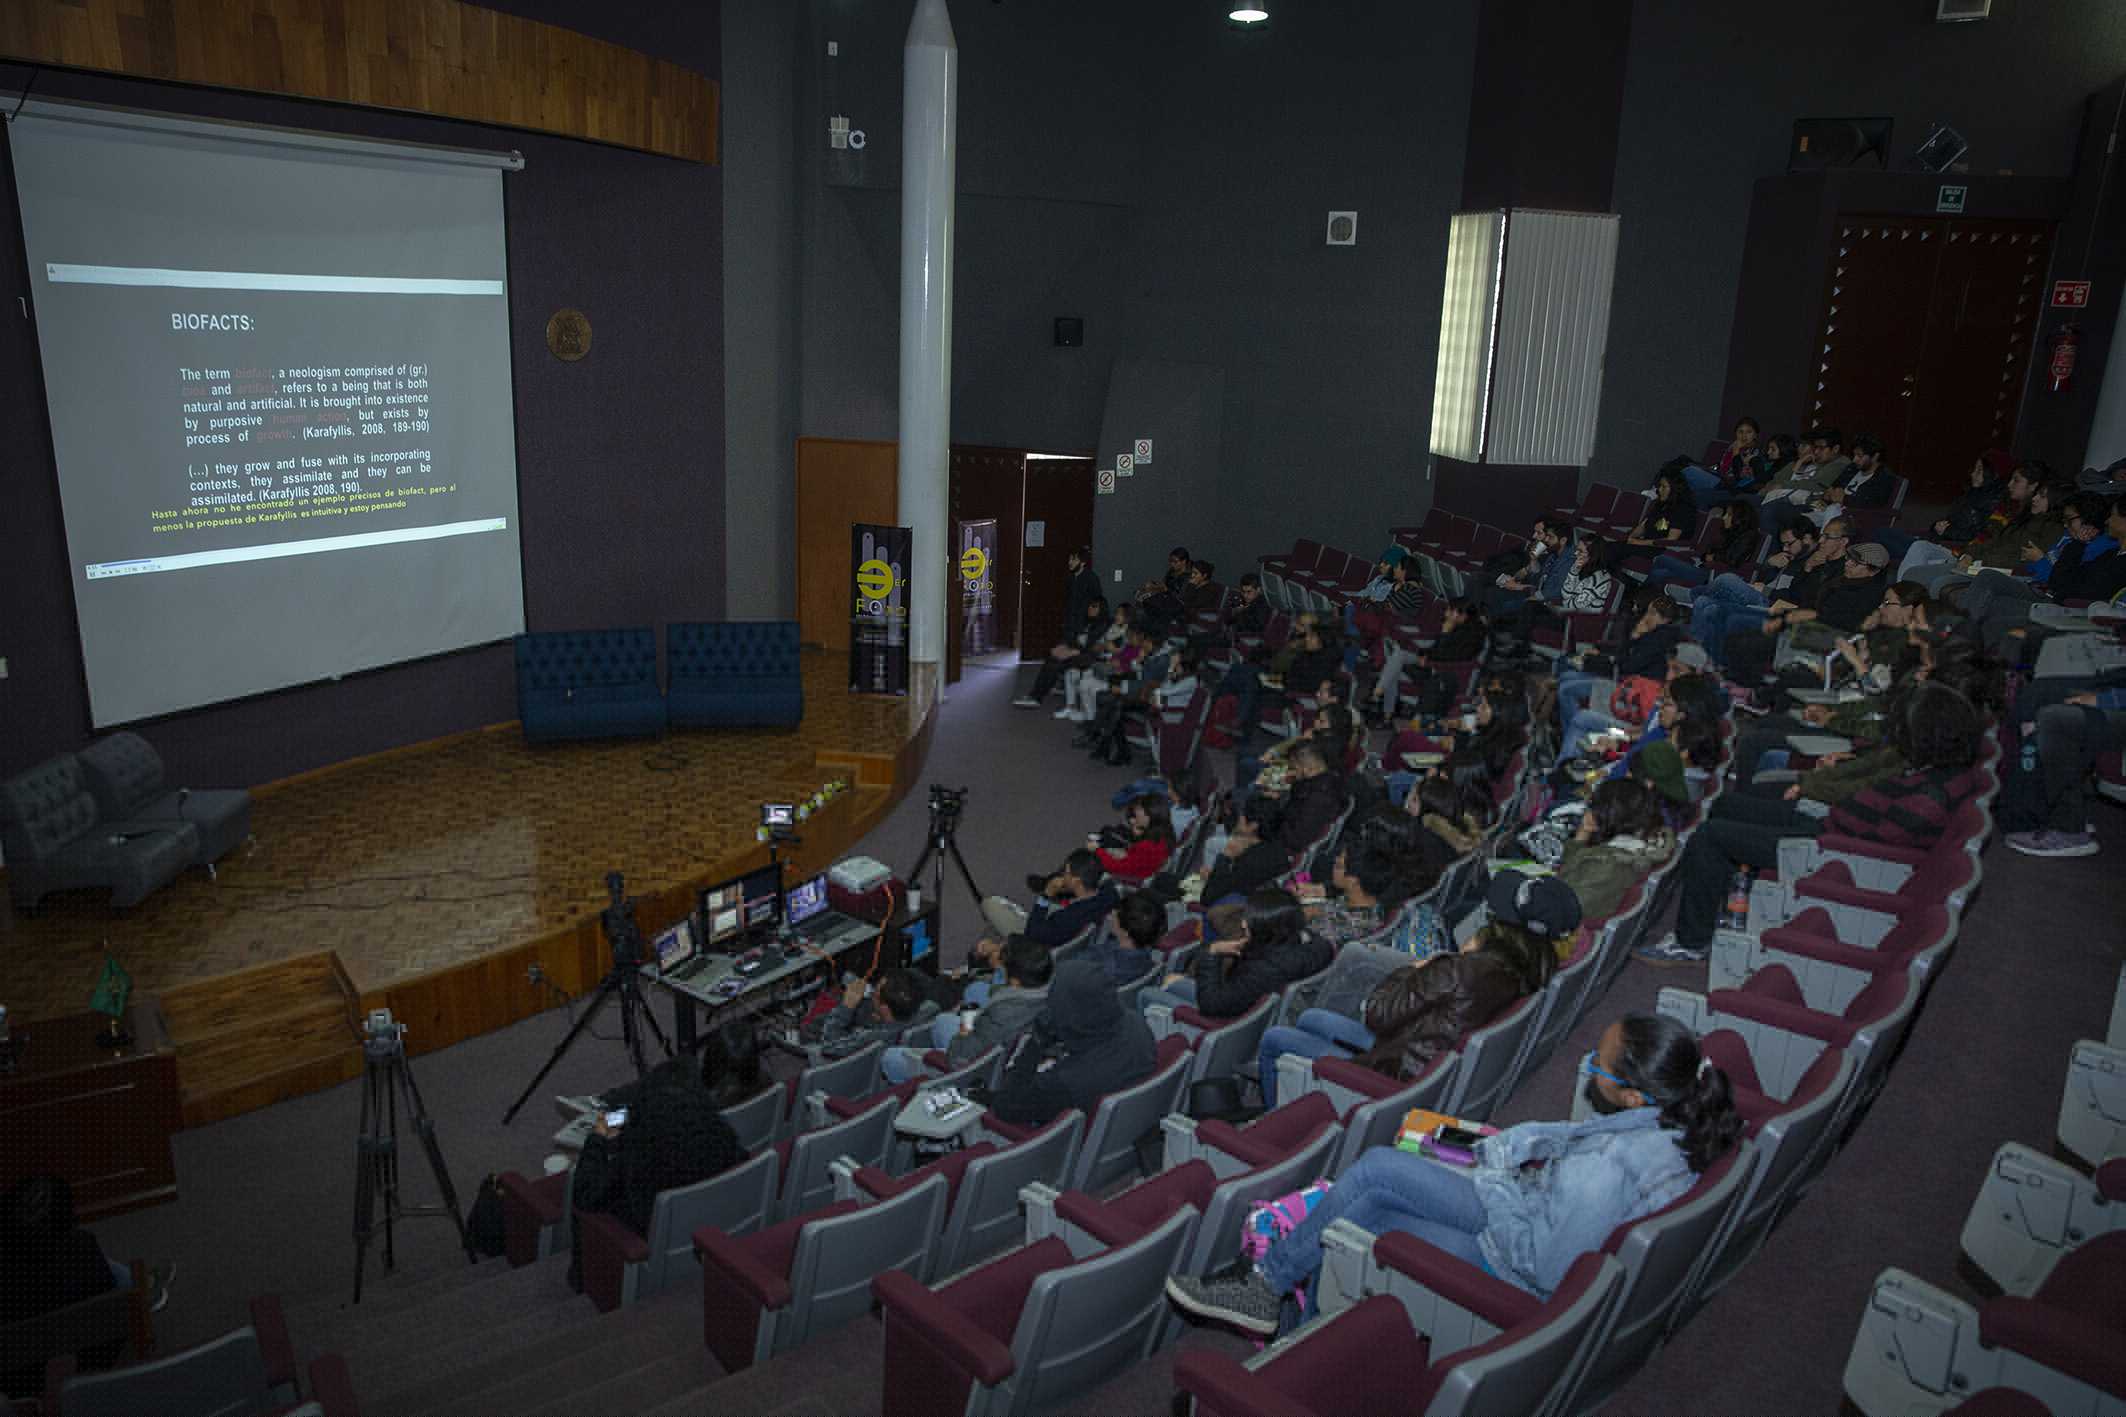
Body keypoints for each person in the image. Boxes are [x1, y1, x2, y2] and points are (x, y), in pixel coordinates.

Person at [1168, 1011, 1743, 1331]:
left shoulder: (1604, 1175)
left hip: (1513, 1261)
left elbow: (1543, 1268)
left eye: (1598, 1064)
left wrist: (1491, 1175)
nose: (1588, 1067)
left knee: (1367, 1211)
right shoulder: (1669, 1120)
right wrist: (1521, 1145)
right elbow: (1585, 1141)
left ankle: (1269, 1291)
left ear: (1634, 1093)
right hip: (1531, 1209)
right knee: (1372, 1177)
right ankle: (1275, 1299)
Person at [1638, 681, 1986, 965]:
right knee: (1726, 804)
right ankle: (1725, 903)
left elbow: (1877, 844)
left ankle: (1690, 943)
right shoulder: (1933, 769)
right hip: (1832, 826)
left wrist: (1834, 807)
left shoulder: (1931, 796)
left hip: (1832, 850)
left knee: (1710, 836)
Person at [1253, 869, 1568, 1103]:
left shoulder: (1462, 970)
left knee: (1274, 1039)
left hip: (1393, 1072)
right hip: (1417, 1051)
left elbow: (1376, 1014)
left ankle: (1275, 1123)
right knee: (1310, 1019)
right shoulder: (1532, 970)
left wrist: (1420, 967)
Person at [568, 1058, 745, 1289]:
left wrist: (597, 1139)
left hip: (650, 1233)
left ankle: (580, 1279)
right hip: (707, 1231)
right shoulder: (722, 1139)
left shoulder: (641, 1158)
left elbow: (586, 1193)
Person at [2, 1174, 172, 1363]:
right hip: (94, 1354)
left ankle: (142, 1285)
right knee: (110, 1276)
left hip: (22, 1371)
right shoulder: (82, 1247)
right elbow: (109, 1295)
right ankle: (143, 1287)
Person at [991, 959, 1157, 1127]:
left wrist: (1034, 1044)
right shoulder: (1137, 1023)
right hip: (1126, 1124)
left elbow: (1004, 1106)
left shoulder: (1063, 1083)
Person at [881, 935, 1052, 1085]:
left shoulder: (1000, 1014)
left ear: (1015, 982)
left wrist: (964, 1034)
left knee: (889, 1057)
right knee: (942, 1021)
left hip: (970, 1070)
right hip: (1000, 1048)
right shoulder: (1048, 989)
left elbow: (957, 1059)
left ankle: (931, 1085)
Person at [1140, 889, 1330, 1019]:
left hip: (1228, 1018)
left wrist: (1212, 952)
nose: (1243, 924)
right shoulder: (1315, 947)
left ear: (1267, 928)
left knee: (1151, 992)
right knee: (1173, 979)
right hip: (1247, 1006)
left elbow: (1211, 1006)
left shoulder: (1262, 969)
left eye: (1250, 920)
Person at [1554, 778, 1677, 928]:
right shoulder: (1642, 842)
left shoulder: (1605, 863)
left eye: (1596, 808)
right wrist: (1583, 832)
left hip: (1567, 926)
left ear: (1608, 815)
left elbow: (1563, 903)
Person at [1014, 592, 1109, 711]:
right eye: (1090, 605)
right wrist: (1068, 646)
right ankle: (1036, 695)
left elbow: (1090, 647)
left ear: (1101, 609)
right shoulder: (1088, 622)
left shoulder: (1101, 626)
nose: (1090, 608)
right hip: (1077, 653)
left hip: (1087, 657)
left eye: (1094, 606)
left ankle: (1035, 697)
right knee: (1052, 660)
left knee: (1054, 664)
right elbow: (1075, 639)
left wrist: (1073, 648)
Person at [818, 966, 939, 1058]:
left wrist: (845, 1008)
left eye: (874, 992)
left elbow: (829, 1045)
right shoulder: (930, 1009)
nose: (871, 993)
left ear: (885, 1008)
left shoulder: (870, 1037)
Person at [1647, 498, 1760, 591]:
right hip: (1704, 568)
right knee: (1659, 574)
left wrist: (1714, 557)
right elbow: (1710, 547)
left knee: (1662, 558)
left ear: (1739, 518)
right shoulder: (1730, 533)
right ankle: (1646, 604)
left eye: (1729, 515)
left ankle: (1641, 602)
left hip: (1713, 575)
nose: (1724, 517)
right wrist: (1709, 555)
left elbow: (1734, 560)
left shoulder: (1748, 537)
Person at [1022, 848, 1122, 947]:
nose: (1063, 876)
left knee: (1006, 911)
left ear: (1076, 880)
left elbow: (1031, 934)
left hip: (1037, 941)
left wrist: (1046, 894)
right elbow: (1107, 880)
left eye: (1066, 872)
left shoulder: (1067, 919)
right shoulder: (1109, 895)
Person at [1203, 795, 1292, 905]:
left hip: (1238, 908)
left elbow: (1207, 899)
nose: (1240, 816)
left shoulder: (1248, 863)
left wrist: (1224, 858)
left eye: (1243, 814)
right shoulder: (1278, 847)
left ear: (1254, 825)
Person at [1930, 451, 2019, 545]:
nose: (1973, 474)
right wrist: (1939, 525)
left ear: (1995, 474)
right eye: (1974, 469)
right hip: (1949, 539)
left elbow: (1982, 537)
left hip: (1962, 547)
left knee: (1920, 547)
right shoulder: (1973, 494)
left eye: (1980, 470)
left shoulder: (1997, 501)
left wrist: (1948, 531)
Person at [1090, 793, 1177, 879]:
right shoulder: (1164, 834)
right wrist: (1127, 856)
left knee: (1092, 861)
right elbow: (1139, 862)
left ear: (1148, 816)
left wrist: (1098, 850)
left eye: (1140, 810)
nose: (1136, 812)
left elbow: (1117, 868)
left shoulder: (1147, 847)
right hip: (1137, 869)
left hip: (1128, 880)